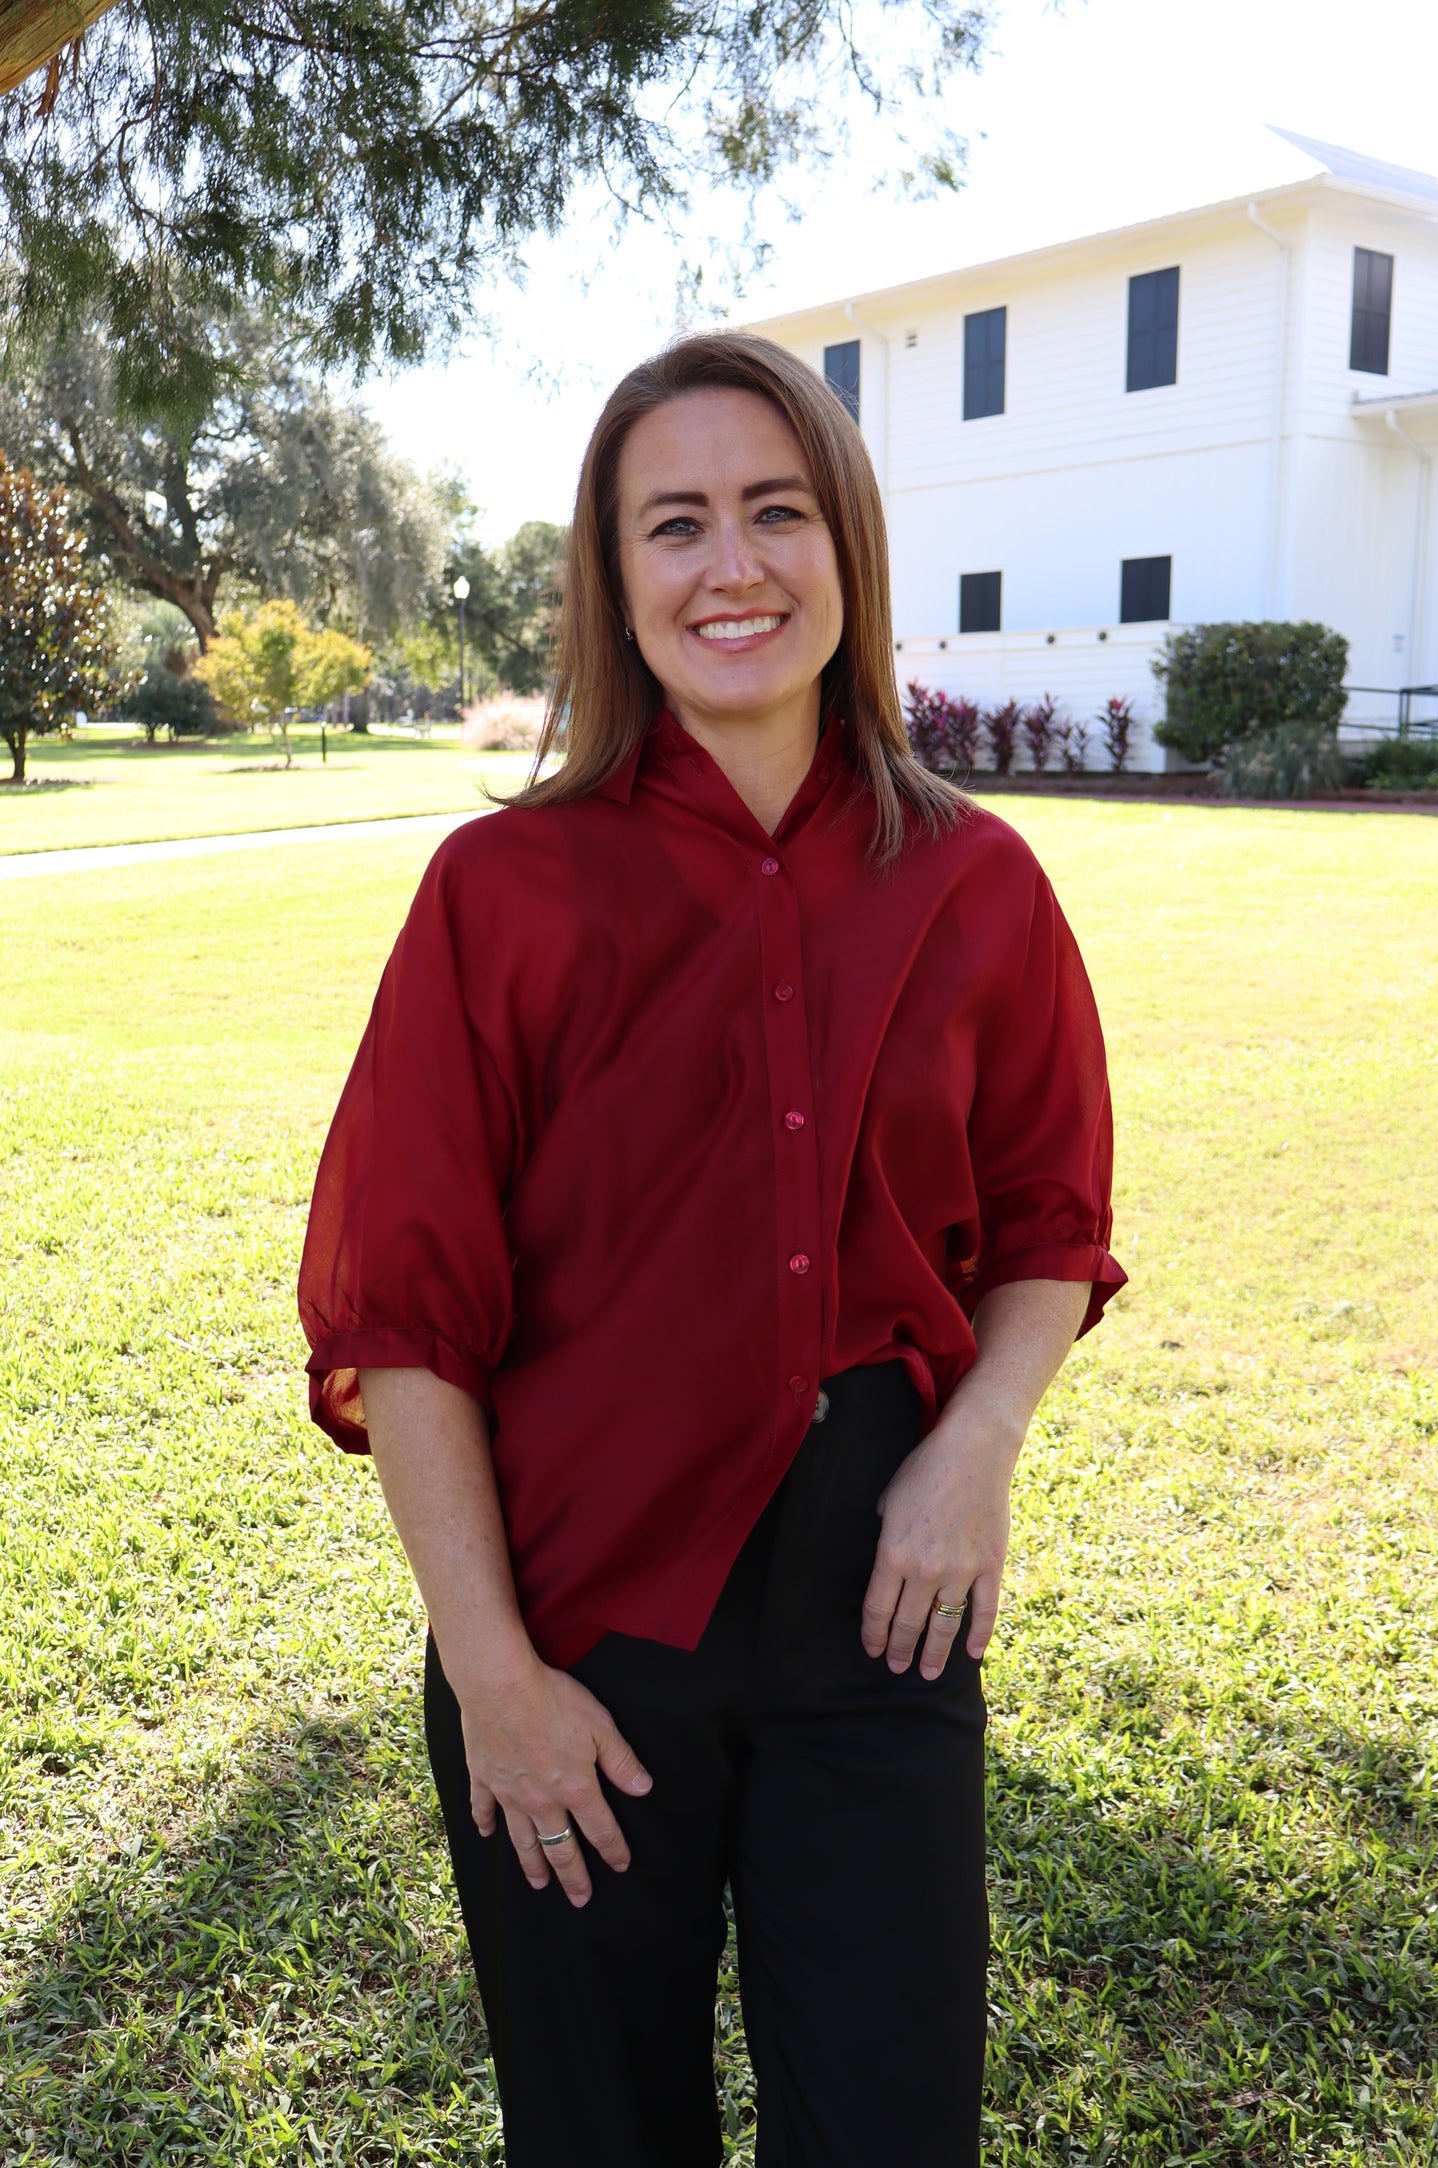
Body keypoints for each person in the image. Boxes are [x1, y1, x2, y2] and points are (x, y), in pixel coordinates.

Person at [298, 331, 1125, 2168]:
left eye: (774, 510)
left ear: (847, 543)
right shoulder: (496, 899)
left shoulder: (978, 884)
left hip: (881, 1606)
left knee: (891, 2131)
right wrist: (493, 1682)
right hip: (575, 1629)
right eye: (673, 525)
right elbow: (405, 1319)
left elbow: (1051, 1222)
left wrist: (974, 1449)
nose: (729, 566)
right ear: (613, 581)